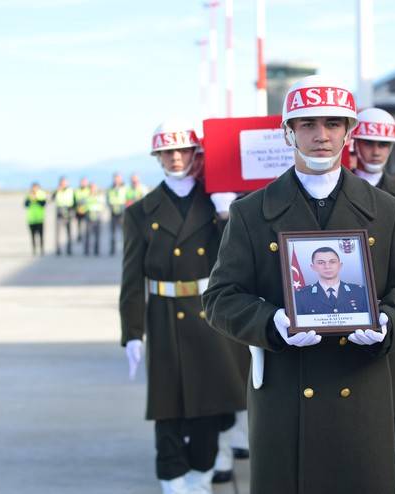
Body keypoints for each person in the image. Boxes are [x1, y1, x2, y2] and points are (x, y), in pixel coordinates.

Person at [202, 75, 395, 494]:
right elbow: (219, 298)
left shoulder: (387, 210)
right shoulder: (251, 213)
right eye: (307, 124)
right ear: (288, 132)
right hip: (287, 393)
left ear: (348, 132)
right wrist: (272, 323)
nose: (321, 136)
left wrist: (389, 324)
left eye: (333, 124)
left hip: (360, 386)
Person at [120, 121, 248, 494]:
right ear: (158, 157)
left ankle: (202, 474)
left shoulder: (217, 204)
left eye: (182, 150)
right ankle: (172, 477)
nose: (175, 157)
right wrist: (131, 333)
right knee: (168, 405)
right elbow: (131, 280)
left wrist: (227, 216)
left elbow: (239, 260)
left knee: (210, 405)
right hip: (164, 313)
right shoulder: (141, 211)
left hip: (210, 312)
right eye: (167, 151)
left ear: (195, 154)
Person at [350, 106, 395, 447]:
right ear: (355, 143)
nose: (376, 151)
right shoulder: (338, 187)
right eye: (368, 142)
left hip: (387, 309)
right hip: (345, 304)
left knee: (388, 408)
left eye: (383, 144)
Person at [295, 247, 369, 315]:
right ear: (313, 267)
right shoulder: (300, 296)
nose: (327, 266)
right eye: (321, 263)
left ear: (340, 265)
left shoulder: (361, 292)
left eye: (332, 262)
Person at [52, 176, 75, 256]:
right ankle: (58, 249)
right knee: (58, 233)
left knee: (69, 233)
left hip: (68, 213)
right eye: (62, 182)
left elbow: (74, 202)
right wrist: (56, 191)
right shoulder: (57, 190)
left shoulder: (71, 190)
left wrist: (73, 213)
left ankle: (69, 250)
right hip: (59, 213)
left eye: (64, 182)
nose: (63, 184)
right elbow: (52, 199)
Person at [107, 173, 128, 256]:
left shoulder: (125, 188)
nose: (116, 180)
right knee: (112, 233)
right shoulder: (110, 188)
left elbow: (128, 199)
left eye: (118, 178)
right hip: (113, 212)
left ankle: (125, 250)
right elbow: (107, 199)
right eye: (115, 178)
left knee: (124, 233)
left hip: (122, 212)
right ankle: (112, 249)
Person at [24, 182, 47, 256]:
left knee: (41, 235)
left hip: (39, 218)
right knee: (32, 235)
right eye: (33, 187)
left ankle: (42, 250)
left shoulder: (41, 194)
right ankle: (34, 250)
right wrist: (30, 199)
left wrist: (36, 199)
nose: (34, 189)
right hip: (31, 219)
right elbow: (25, 204)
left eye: (36, 187)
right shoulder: (29, 195)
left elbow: (43, 204)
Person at [84, 183, 105, 256]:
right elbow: (84, 205)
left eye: (94, 188)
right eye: (91, 188)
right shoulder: (87, 196)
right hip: (89, 214)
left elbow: (102, 205)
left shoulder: (100, 196)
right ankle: (86, 251)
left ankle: (97, 251)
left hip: (97, 215)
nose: (93, 189)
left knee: (97, 235)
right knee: (87, 234)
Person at [74, 177, 90, 242]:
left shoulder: (89, 190)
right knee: (79, 227)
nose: (83, 183)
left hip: (87, 211)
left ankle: (86, 238)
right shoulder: (77, 190)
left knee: (87, 227)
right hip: (78, 212)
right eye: (82, 182)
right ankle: (79, 238)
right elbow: (74, 201)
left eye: (84, 182)